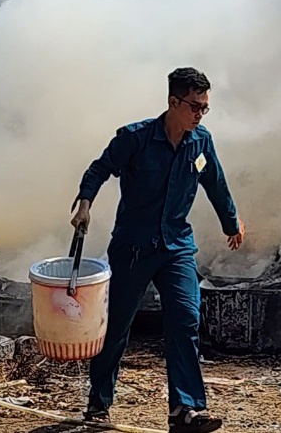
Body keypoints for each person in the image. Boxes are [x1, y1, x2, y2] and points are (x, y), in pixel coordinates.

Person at [71, 67, 244, 433]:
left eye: (205, 108)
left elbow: (216, 183)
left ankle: (186, 410)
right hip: (134, 247)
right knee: (116, 327)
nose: (199, 114)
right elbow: (100, 168)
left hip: (177, 247)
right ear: (173, 102)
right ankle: (98, 406)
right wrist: (85, 202)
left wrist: (232, 223)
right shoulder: (135, 138)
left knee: (185, 320)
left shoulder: (201, 142)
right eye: (194, 107)